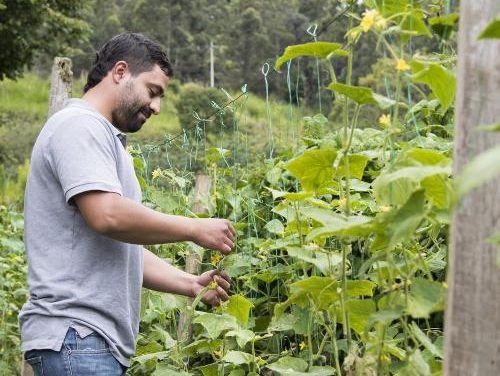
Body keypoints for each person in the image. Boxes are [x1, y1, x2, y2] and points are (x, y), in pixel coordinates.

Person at [19, 32, 236, 375]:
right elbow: (108, 216)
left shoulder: (103, 138)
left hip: (89, 343)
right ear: (120, 72)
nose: (156, 107)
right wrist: (194, 228)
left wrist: (189, 284)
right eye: (153, 92)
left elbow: (121, 247)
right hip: (78, 336)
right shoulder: (78, 126)